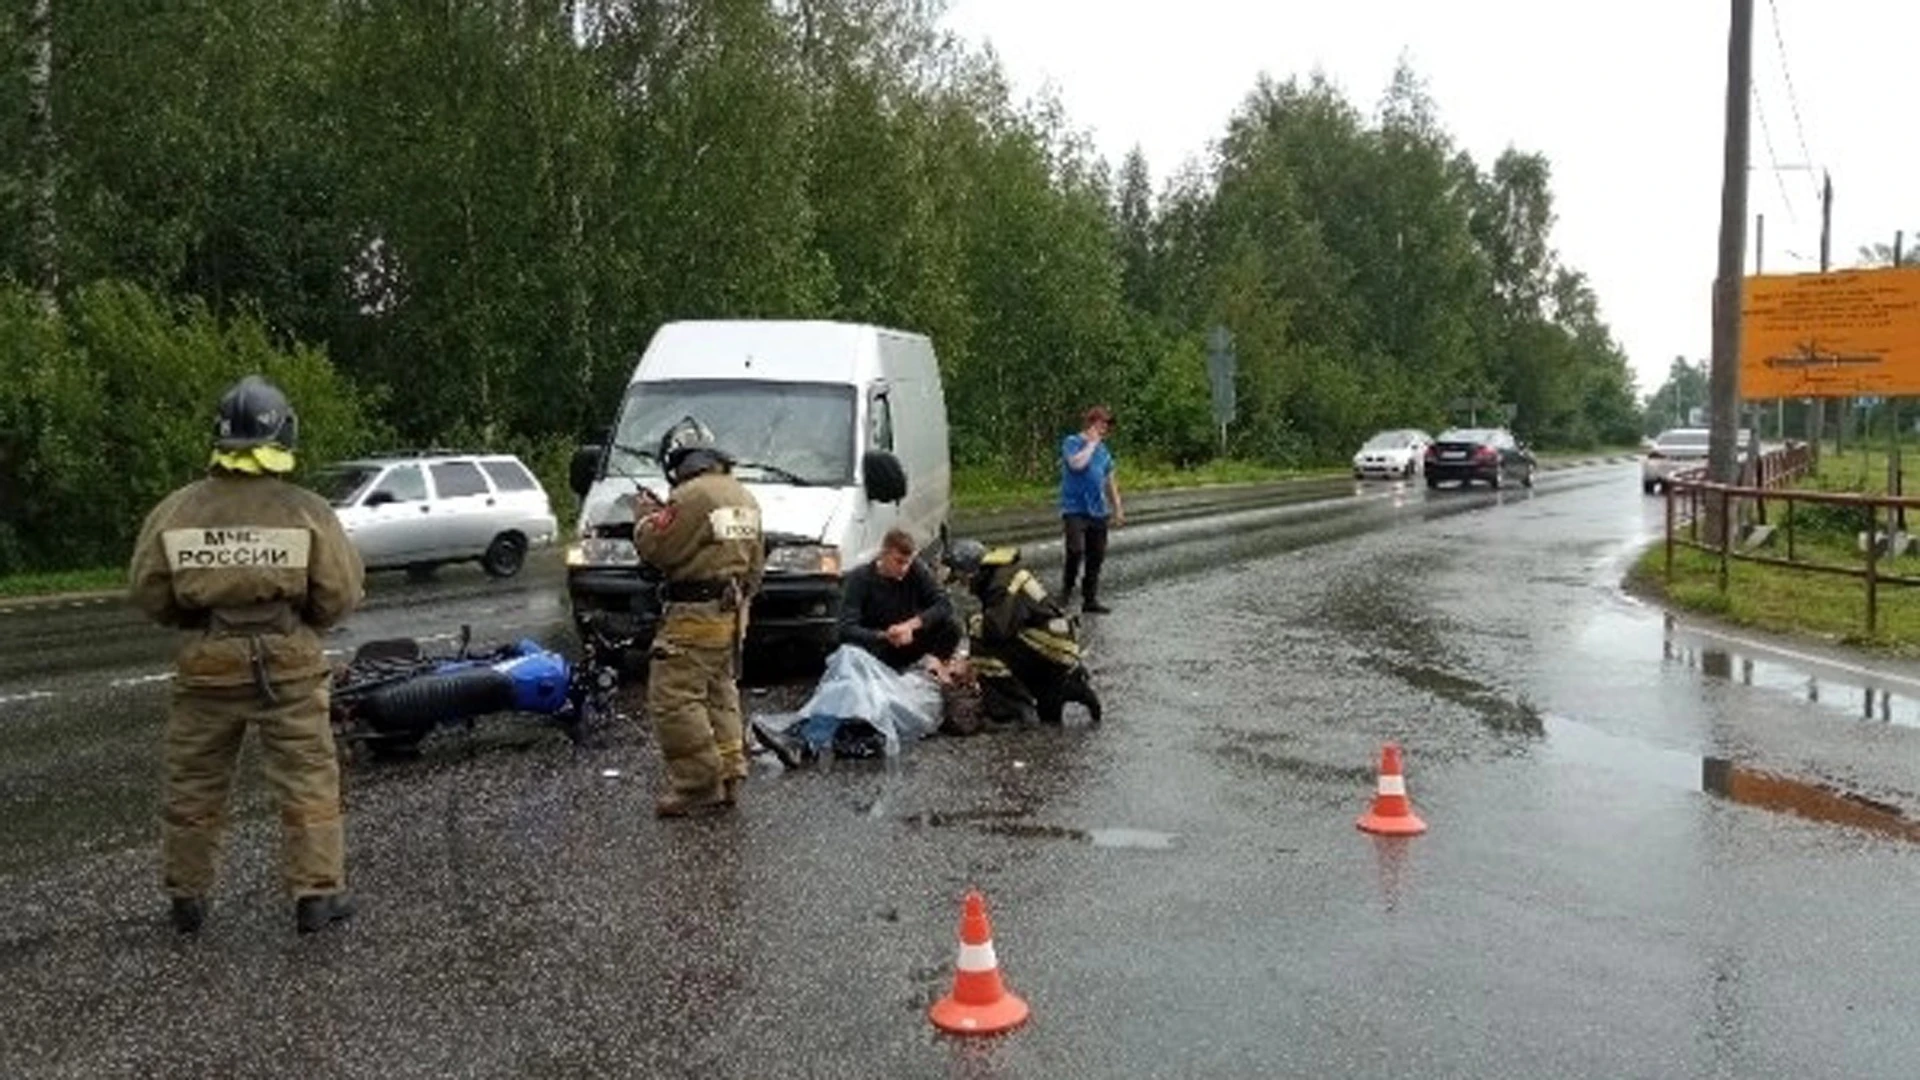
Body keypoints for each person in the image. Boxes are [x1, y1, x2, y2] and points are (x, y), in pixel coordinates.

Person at [128, 375, 366, 936]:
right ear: (283, 435)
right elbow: (340, 594)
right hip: (289, 664)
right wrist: (297, 623)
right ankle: (316, 896)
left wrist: (203, 620)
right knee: (308, 779)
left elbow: (149, 592)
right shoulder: (306, 510)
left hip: (207, 663)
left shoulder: (176, 511)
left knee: (194, 782)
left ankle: (186, 899)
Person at [634, 416, 766, 818]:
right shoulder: (744, 497)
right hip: (730, 615)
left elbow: (658, 548)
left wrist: (644, 519)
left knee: (674, 699)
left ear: (681, 463)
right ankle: (728, 776)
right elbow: (756, 565)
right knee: (719, 693)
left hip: (692, 615)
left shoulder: (691, 496)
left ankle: (696, 784)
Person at [945, 539, 1102, 727]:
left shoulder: (1001, 584)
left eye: (961, 578)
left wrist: (971, 628)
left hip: (1051, 647)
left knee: (980, 643)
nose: (963, 585)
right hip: (1056, 644)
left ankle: (1015, 709)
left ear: (971, 571)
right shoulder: (1005, 572)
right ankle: (1063, 684)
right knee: (1049, 712)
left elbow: (996, 631)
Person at [834, 528, 963, 680]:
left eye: (907, 562)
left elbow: (944, 604)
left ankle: (933, 668)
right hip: (880, 645)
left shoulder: (916, 569)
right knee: (850, 649)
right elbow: (845, 628)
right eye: (898, 562)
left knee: (952, 625)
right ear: (884, 554)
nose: (903, 568)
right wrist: (884, 635)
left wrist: (910, 625)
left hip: (910, 638)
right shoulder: (860, 578)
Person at [1060, 405, 1125, 613]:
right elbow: (1076, 465)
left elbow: (1110, 481)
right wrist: (1090, 445)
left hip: (1098, 510)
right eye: (1101, 424)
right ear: (1090, 423)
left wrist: (1118, 508)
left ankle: (1090, 599)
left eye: (1107, 426)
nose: (1104, 429)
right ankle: (1066, 590)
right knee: (1075, 549)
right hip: (1074, 508)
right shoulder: (1072, 442)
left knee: (1096, 556)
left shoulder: (1104, 452)